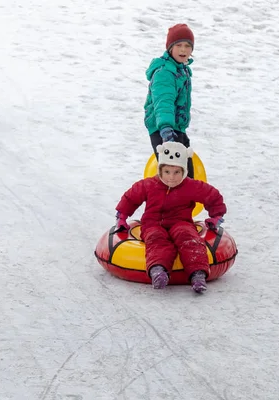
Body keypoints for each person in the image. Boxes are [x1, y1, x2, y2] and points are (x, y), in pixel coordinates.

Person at [113, 142, 226, 293]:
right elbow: (131, 198)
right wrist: (121, 216)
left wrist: (216, 215)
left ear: (184, 171)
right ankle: (158, 271)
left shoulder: (190, 186)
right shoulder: (149, 185)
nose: (171, 178)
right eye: (167, 171)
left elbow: (212, 196)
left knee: (188, 237)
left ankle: (197, 274)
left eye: (176, 172)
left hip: (181, 222)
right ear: (160, 170)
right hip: (152, 223)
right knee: (156, 238)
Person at [144, 23, 195, 178]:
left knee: (186, 176)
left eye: (187, 46)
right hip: (164, 130)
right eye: (179, 45)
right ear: (170, 47)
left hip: (176, 129)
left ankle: (186, 202)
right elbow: (163, 103)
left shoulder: (181, 70)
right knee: (174, 178)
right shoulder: (165, 73)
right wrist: (166, 130)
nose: (183, 50)